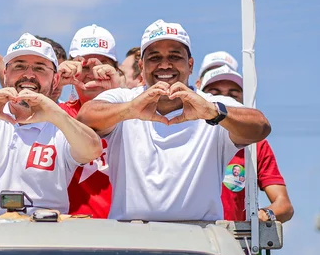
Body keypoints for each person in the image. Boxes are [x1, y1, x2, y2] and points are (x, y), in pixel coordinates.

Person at [77, 19, 271, 221]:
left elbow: (261, 126)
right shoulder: (125, 98)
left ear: (190, 65)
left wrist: (212, 112)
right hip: (132, 238)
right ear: (142, 67)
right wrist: (131, 110)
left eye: (174, 56)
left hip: (198, 239)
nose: (165, 65)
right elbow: (86, 117)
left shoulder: (210, 104)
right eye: (154, 57)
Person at [0, 33, 103, 219]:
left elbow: (92, 150)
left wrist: (56, 115)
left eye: (39, 68)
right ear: (5, 74)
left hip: (38, 241)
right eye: (19, 66)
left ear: (55, 80)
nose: (28, 75)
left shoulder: (61, 125)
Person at [200, 65, 294, 223]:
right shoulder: (185, 134)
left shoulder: (257, 145)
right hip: (189, 238)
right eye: (216, 95)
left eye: (233, 95)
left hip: (235, 244)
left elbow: (284, 205)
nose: (226, 101)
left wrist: (265, 214)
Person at [57, 24, 123, 218]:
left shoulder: (135, 112)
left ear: (116, 70)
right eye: (83, 66)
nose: (93, 73)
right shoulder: (56, 114)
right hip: (71, 234)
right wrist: (54, 81)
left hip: (127, 233)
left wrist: (117, 91)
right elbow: (21, 110)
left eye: (102, 65)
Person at [35, 35, 67, 102]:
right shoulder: (8, 109)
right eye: (42, 70)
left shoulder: (70, 111)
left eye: (62, 73)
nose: (56, 82)